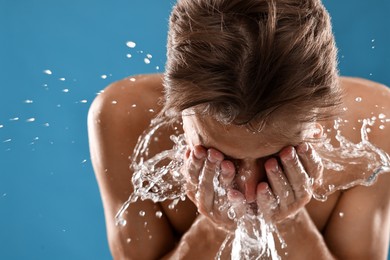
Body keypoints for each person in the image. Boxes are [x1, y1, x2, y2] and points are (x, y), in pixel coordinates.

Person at [87, 0, 390, 259]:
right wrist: (217, 225)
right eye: (216, 154)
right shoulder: (122, 116)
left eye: (279, 156)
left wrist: (287, 220)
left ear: (317, 117)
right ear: (178, 108)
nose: (247, 190)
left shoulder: (378, 126)